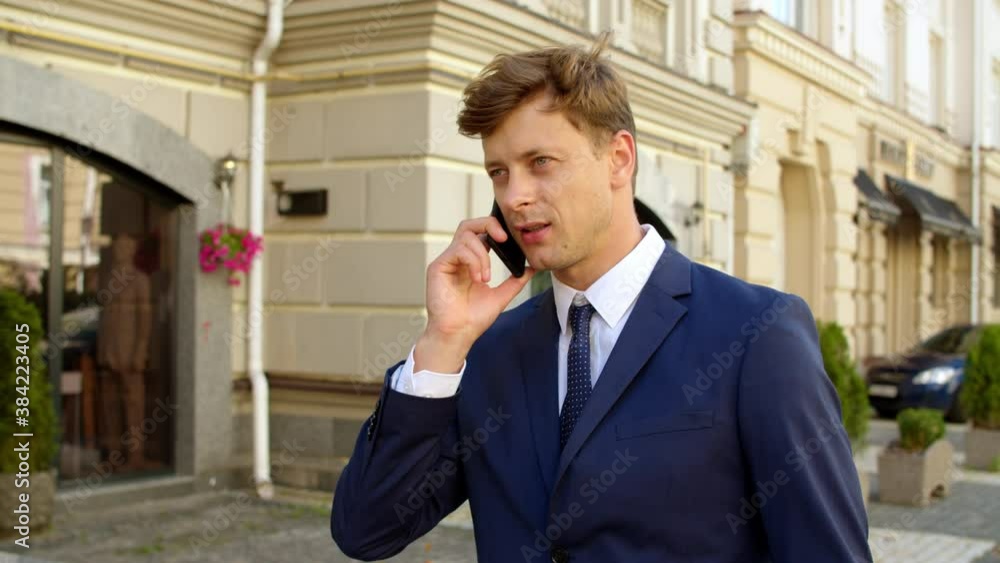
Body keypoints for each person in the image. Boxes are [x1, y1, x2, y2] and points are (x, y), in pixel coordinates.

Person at [331, 33, 873, 563]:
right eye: (499, 172)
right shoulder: (490, 353)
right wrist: (441, 342)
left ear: (618, 158)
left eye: (540, 162)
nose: (514, 195)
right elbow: (366, 531)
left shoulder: (757, 333)